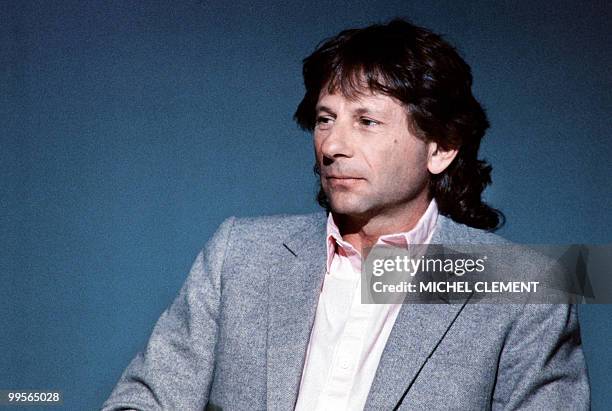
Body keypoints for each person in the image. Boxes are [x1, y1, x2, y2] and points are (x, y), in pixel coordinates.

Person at [102, 19, 589, 410]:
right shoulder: (240, 254)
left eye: (367, 121)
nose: (332, 146)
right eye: (324, 119)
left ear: (440, 147)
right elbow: (145, 400)